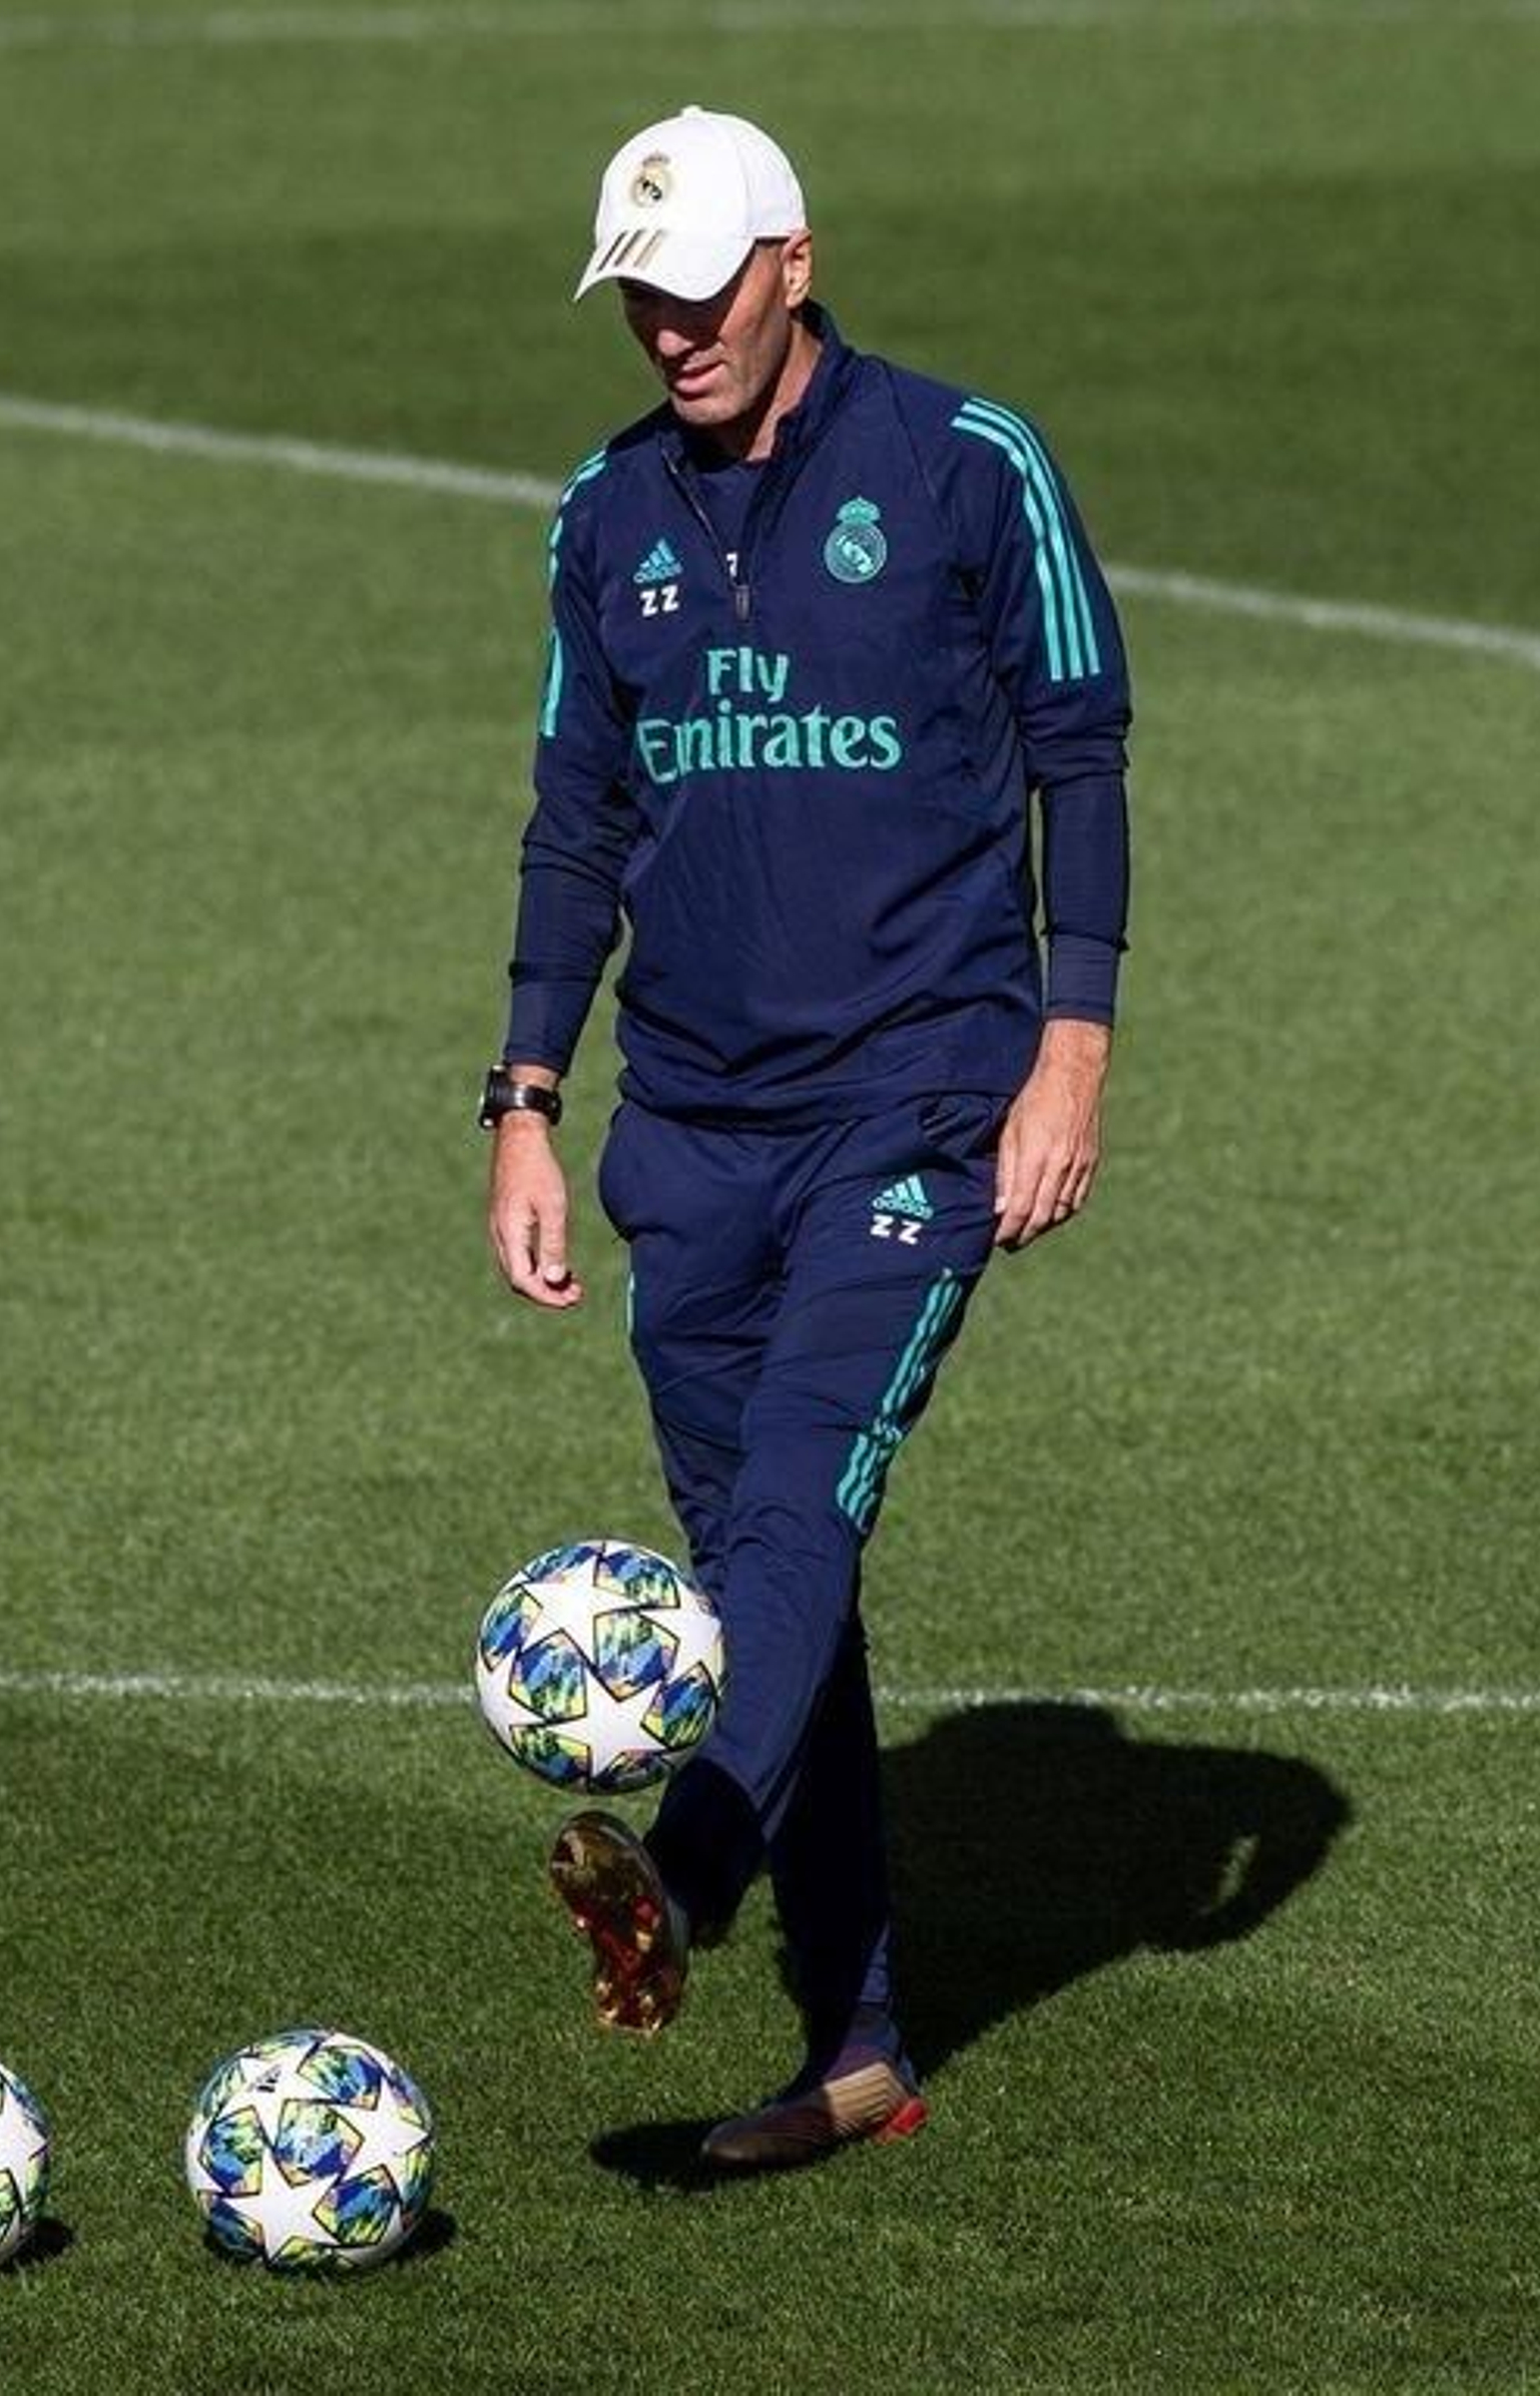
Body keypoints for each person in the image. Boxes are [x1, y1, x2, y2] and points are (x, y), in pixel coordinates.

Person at [483, 104, 1131, 2170]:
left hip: (914, 1105)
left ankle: (677, 1881)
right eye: (636, 299)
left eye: (691, 289)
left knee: (788, 1504)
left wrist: (1069, 1051)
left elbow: (1077, 752)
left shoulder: (961, 465)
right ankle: (854, 2048)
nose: (664, 329)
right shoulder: (602, 516)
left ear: (788, 263)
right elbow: (574, 823)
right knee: (782, 1578)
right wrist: (523, 1100)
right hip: (686, 1137)